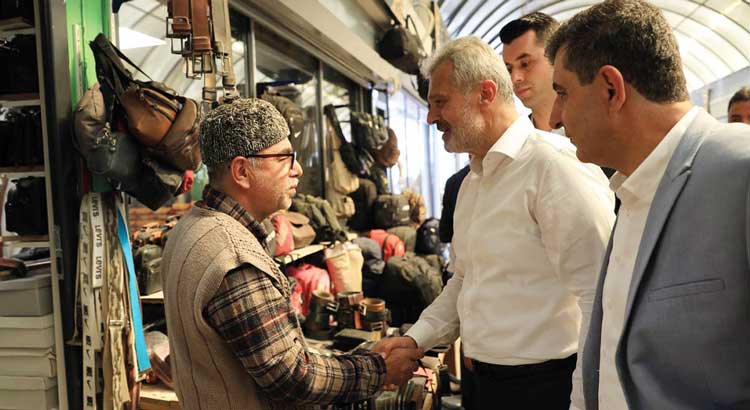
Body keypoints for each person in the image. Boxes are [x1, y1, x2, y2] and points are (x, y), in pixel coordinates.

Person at [373, 37, 615, 410]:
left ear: (485, 94)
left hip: (546, 389)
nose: (431, 118)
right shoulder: (473, 181)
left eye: (440, 102)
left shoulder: (553, 168)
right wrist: (416, 339)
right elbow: (464, 280)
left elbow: (600, 296)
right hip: (482, 384)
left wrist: (585, 401)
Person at [545, 1, 750, 409]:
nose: (554, 117)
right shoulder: (634, 187)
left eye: (563, 93)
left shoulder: (740, 171)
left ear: (611, 89)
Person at [160, 98, 422, 410]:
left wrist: (362, 359)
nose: (297, 169)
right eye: (285, 157)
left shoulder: (190, 226)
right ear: (241, 171)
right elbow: (294, 377)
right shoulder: (233, 258)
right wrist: (378, 369)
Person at [499, 12, 560, 133]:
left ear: (556, 57)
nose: (514, 78)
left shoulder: (593, 126)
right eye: (509, 69)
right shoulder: (514, 138)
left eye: (525, 64)